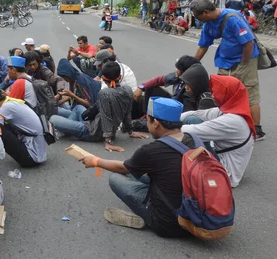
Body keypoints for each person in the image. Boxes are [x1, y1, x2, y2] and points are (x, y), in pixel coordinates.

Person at [79, 97, 195, 237]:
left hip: (167, 223)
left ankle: (149, 218)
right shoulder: (194, 139)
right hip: (194, 215)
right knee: (140, 172)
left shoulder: (152, 149)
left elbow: (123, 168)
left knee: (116, 178)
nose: (147, 123)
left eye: (148, 120)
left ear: (156, 123)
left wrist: (95, 161)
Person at [191, 0, 264, 140]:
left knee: (249, 92)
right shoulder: (208, 23)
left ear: (205, 12)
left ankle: (257, 129)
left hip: (245, 58)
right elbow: (203, 46)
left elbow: (248, 43)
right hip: (225, 60)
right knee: (222, 93)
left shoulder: (232, 18)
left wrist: (243, 64)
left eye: (196, 15)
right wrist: (190, 64)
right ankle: (229, 124)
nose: (195, 18)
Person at [50, 62, 145, 151]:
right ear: (119, 77)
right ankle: (69, 128)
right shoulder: (128, 90)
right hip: (93, 122)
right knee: (78, 108)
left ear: (103, 78)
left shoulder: (104, 93)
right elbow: (127, 112)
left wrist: (108, 141)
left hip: (93, 132)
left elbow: (106, 116)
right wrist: (130, 131)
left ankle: (69, 129)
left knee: (53, 118)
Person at [181, 75, 254, 188]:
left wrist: (165, 127)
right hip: (222, 156)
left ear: (227, 94)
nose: (213, 95)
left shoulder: (233, 121)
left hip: (226, 174)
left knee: (189, 136)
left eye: (217, 92)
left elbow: (192, 131)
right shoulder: (231, 109)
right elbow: (195, 113)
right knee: (192, 119)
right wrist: (172, 117)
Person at [0, 86, 48, 167]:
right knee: (0, 122)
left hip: (32, 157)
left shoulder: (6, 108)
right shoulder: (10, 101)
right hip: (39, 151)